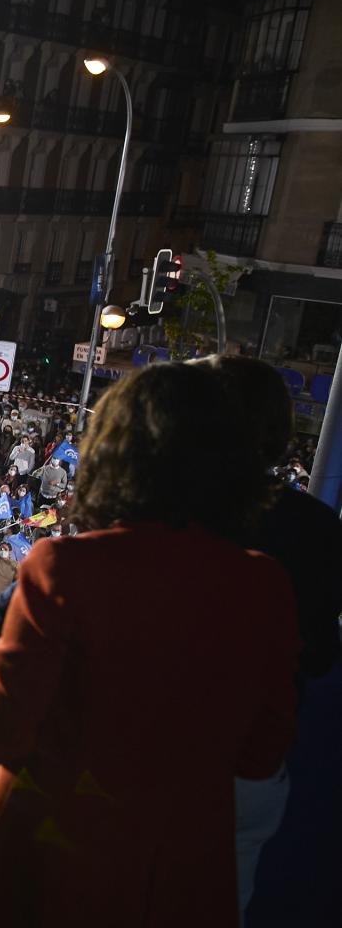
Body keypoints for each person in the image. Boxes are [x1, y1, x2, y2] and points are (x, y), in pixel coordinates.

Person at [0, 362, 299, 928]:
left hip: (49, 871)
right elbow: (262, 753)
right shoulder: (264, 584)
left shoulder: (64, 568)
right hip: (178, 882)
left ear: (113, 457)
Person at [199, 355, 342, 916]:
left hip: (145, 756)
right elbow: (319, 654)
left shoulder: (158, 512)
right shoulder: (316, 529)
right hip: (249, 769)